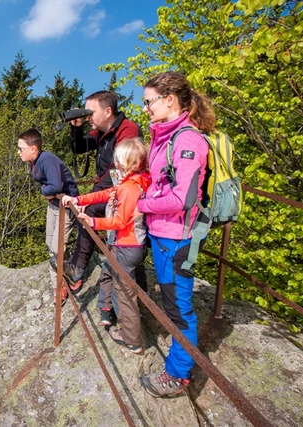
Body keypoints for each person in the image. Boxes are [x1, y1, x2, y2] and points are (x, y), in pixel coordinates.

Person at [136, 71, 214, 397]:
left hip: (176, 237)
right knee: (171, 301)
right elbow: (161, 182)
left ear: (170, 100)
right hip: (163, 232)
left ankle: (178, 375)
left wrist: (141, 204)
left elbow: (183, 198)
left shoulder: (187, 140)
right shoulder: (163, 136)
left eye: (148, 101)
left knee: (179, 309)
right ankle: (179, 359)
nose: (145, 109)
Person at [61, 90, 147, 326]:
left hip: (121, 193)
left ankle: (77, 269)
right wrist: (77, 127)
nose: (89, 116)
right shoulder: (103, 131)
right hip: (111, 189)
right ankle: (78, 267)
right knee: (86, 209)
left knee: (87, 211)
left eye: (91, 112)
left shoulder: (127, 130)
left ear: (108, 111)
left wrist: (90, 198)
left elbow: (125, 169)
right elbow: (79, 148)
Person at [62, 138, 150, 354]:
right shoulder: (127, 183)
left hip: (127, 246)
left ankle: (132, 339)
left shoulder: (131, 188)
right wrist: (79, 200)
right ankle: (105, 309)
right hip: (122, 244)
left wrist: (93, 222)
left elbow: (120, 221)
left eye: (117, 160)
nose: (115, 164)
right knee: (108, 272)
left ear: (125, 163)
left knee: (124, 293)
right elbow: (105, 194)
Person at [17, 128, 79, 304]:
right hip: (54, 205)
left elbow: (55, 186)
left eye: (21, 148)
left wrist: (44, 191)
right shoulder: (34, 161)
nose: (18, 152)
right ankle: (65, 278)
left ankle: (63, 284)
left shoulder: (47, 160)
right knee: (50, 243)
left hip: (66, 206)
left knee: (57, 249)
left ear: (33, 148)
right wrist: (46, 192)